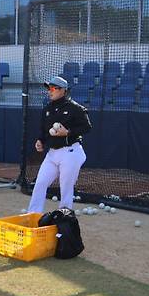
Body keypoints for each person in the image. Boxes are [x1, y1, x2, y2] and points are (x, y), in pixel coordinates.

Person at [27, 76, 92, 213]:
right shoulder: (47, 109)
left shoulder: (75, 108)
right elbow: (44, 131)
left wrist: (68, 132)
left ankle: (65, 218)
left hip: (70, 153)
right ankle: (33, 214)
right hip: (52, 154)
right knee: (40, 183)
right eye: (48, 88)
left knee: (66, 188)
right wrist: (41, 141)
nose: (49, 91)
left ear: (63, 90)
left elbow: (87, 127)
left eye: (53, 88)